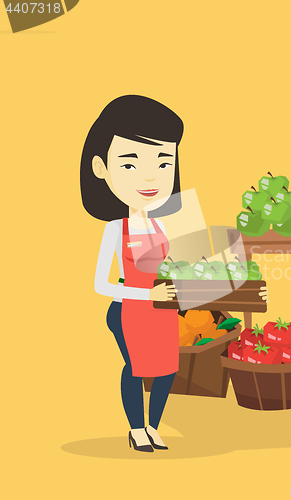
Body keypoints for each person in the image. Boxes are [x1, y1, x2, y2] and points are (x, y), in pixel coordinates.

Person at [80, 95, 184, 452]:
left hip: (164, 311)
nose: (150, 176)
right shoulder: (115, 229)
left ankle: (154, 427)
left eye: (163, 163)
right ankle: (136, 428)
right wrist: (146, 295)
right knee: (137, 367)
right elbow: (100, 284)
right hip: (128, 309)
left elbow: (183, 267)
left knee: (168, 369)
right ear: (100, 168)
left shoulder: (167, 224)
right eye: (130, 165)